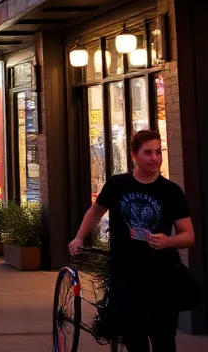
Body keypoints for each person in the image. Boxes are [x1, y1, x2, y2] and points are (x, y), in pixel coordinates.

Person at [70, 129, 194, 352]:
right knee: (133, 335)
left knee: (163, 336)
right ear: (134, 155)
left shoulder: (171, 191)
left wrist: (168, 242)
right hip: (126, 272)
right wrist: (79, 237)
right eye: (148, 152)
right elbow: (96, 211)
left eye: (158, 151)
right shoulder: (118, 185)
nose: (155, 157)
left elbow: (188, 235)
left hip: (162, 273)